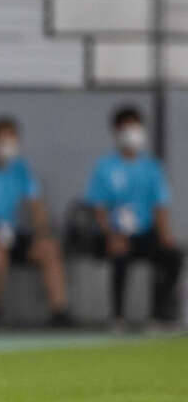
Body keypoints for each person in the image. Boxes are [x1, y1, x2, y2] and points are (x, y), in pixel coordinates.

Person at [0, 116, 71, 328]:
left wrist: (41, 233)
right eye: (2, 140)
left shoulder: (21, 168)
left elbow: (36, 205)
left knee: (49, 248)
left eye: (11, 140)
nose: (7, 146)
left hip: (10, 232)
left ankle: (59, 311)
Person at [85, 106, 183, 324]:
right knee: (120, 254)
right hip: (113, 232)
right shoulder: (105, 167)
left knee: (172, 256)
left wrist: (165, 235)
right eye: (126, 127)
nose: (132, 133)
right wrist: (111, 235)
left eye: (135, 127)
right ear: (116, 131)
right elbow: (98, 207)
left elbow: (160, 205)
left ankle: (159, 313)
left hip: (144, 232)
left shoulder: (152, 167)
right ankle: (117, 315)